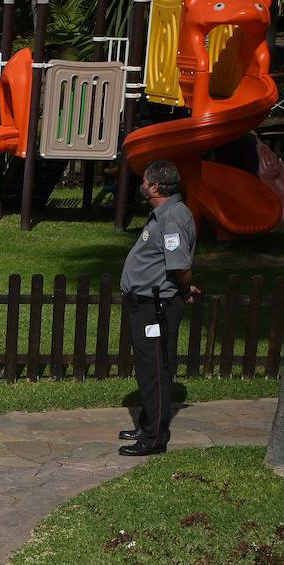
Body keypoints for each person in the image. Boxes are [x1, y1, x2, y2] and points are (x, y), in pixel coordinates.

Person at [118, 160, 198, 457]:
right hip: (146, 304)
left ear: (154, 187)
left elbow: (180, 265)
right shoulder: (163, 214)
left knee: (156, 370)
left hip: (157, 307)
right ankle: (146, 425)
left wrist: (183, 289)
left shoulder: (174, 217)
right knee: (147, 368)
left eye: (144, 181)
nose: (141, 185)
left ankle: (154, 439)